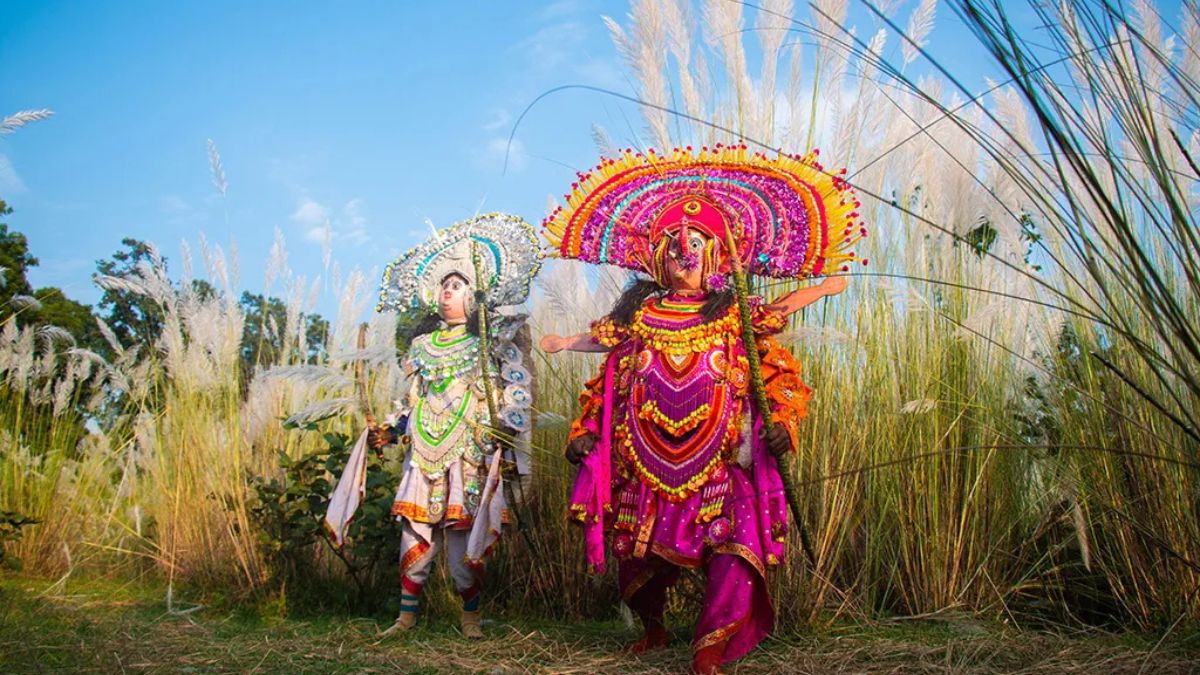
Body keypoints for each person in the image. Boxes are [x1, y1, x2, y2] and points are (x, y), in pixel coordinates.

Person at [540, 146, 863, 673]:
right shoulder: (640, 313)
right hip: (643, 457)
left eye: (695, 243)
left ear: (716, 255)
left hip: (717, 459)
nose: (682, 253)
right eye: (672, 245)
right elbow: (606, 357)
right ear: (655, 257)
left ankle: (710, 645)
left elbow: (775, 332)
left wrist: (820, 291)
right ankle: (654, 625)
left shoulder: (731, 311)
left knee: (733, 544)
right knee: (636, 551)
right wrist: (563, 348)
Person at [326, 212, 541, 639]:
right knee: (415, 529)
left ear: (475, 294)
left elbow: (518, 388)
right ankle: (406, 617)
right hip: (423, 449)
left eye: (457, 286)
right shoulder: (422, 345)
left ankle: (470, 619)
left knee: (464, 535)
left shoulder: (491, 340)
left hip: (468, 449)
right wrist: (389, 428)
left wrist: (504, 421)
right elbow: (413, 397)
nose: (447, 292)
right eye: (443, 286)